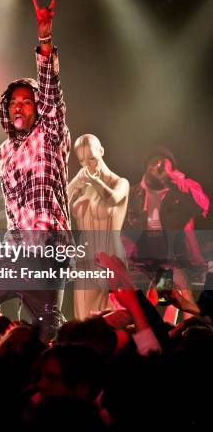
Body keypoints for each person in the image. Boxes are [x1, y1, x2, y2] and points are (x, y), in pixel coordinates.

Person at [0, 0, 71, 340]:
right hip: (17, 245)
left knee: (45, 322)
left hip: (48, 244)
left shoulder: (49, 133)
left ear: (37, 108)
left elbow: (51, 93)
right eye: (13, 103)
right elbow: (13, 210)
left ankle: (52, 374)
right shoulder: (2, 152)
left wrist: (45, 41)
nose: (19, 107)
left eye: (26, 102)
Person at [124, 146, 209, 321]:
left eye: (166, 163)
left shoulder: (179, 192)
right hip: (142, 262)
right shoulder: (133, 193)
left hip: (169, 261)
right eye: (155, 162)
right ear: (146, 166)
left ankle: (183, 335)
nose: (160, 166)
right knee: (148, 305)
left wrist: (178, 179)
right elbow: (123, 226)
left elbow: (203, 205)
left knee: (169, 302)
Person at [68, 134, 129, 319]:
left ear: (101, 151)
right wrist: (73, 184)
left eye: (92, 158)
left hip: (111, 257)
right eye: (81, 161)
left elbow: (112, 199)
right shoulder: (80, 188)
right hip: (86, 260)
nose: (87, 165)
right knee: (84, 321)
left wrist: (95, 181)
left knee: (116, 318)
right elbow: (56, 207)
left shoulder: (120, 182)